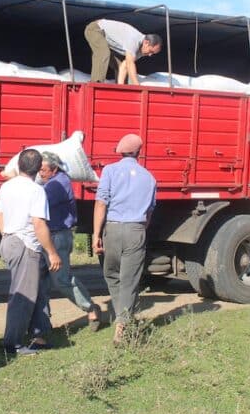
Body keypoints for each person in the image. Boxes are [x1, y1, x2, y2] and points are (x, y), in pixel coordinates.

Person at [0, 148, 62, 356]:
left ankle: (37, 335)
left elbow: (0, 216)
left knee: (31, 290)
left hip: (9, 239)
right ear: (38, 168)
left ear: (19, 165)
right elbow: (39, 224)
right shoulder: (36, 191)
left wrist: (8, 236)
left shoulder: (7, 186)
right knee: (22, 296)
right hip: (26, 244)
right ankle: (12, 344)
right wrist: (52, 252)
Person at [92, 134, 156, 346]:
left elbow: (101, 203)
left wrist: (96, 234)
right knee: (130, 278)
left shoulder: (110, 171)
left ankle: (122, 320)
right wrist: (139, 229)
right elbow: (149, 213)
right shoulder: (149, 177)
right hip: (136, 229)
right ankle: (124, 321)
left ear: (120, 151)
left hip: (113, 228)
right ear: (139, 152)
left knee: (111, 274)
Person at [35, 151, 102, 337]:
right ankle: (43, 324)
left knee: (61, 279)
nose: (40, 173)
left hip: (57, 237)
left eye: (44, 170)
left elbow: (38, 201)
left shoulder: (56, 184)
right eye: (39, 169)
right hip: (52, 235)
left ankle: (91, 308)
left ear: (54, 169)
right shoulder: (55, 180)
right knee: (42, 281)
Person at [84, 19, 162, 85]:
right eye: (151, 51)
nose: (150, 55)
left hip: (106, 39)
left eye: (153, 53)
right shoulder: (134, 39)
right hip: (96, 29)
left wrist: (120, 85)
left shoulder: (141, 51)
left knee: (119, 64)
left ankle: (120, 88)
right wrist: (137, 85)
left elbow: (124, 66)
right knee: (104, 52)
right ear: (146, 43)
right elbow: (130, 63)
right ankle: (96, 83)